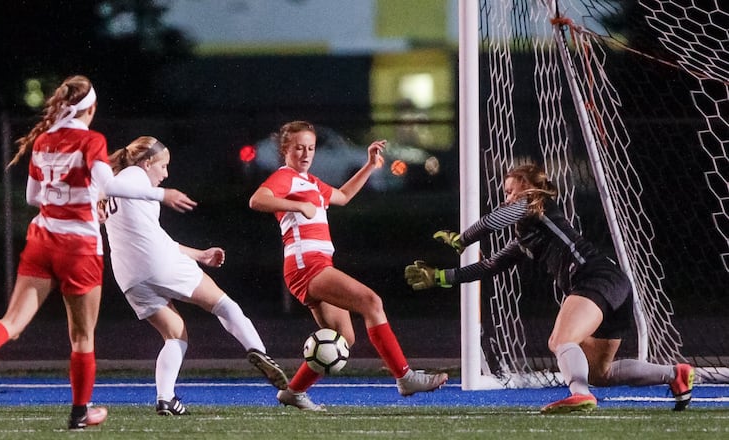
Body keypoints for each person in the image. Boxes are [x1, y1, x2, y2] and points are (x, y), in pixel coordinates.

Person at [0, 75, 196, 430]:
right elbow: (108, 184)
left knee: (12, 322)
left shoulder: (44, 140)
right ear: (89, 108)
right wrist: (161, 195)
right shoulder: (91, 140)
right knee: (81, 336)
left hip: (42, 238)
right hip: (78, 246)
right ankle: (80, 411)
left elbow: (33, 197)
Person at [404, 163, 695, 414]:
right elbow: (491, 266)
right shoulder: (527, 235)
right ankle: (675, 374)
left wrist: (464, 238)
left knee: (560, 340)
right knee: (600, 372)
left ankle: (580, 394)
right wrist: (442, 276)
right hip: (614, 286)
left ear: (530, 189)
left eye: (510, 191)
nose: (507, 198)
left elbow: (498, 218)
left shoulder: (537, 205)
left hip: (595, 279)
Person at [249, 120, 448, 411]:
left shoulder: (310, 181)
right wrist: (297, 206)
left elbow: (341, 196)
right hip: (307, 266)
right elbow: (257, 200)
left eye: (311, 148)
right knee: (371, 302)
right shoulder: (285, 177)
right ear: (285, 150)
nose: (305, 154)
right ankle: (405, 377)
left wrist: (369, 165)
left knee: (344, 338)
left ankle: (293, 391)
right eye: (298, 148)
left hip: (313, 265)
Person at [101, 136, 289, 415]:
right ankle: (260, 352)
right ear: (147, 162)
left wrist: (199, 254)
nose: (165, 174)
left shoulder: (125, 189)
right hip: (158, 262)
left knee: (175, 334)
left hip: (130, 276)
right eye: (163, 166)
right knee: (223, 304)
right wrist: (163, 195)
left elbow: (157, 236)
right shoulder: (134, 175)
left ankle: (165, 399)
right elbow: (120, 187)